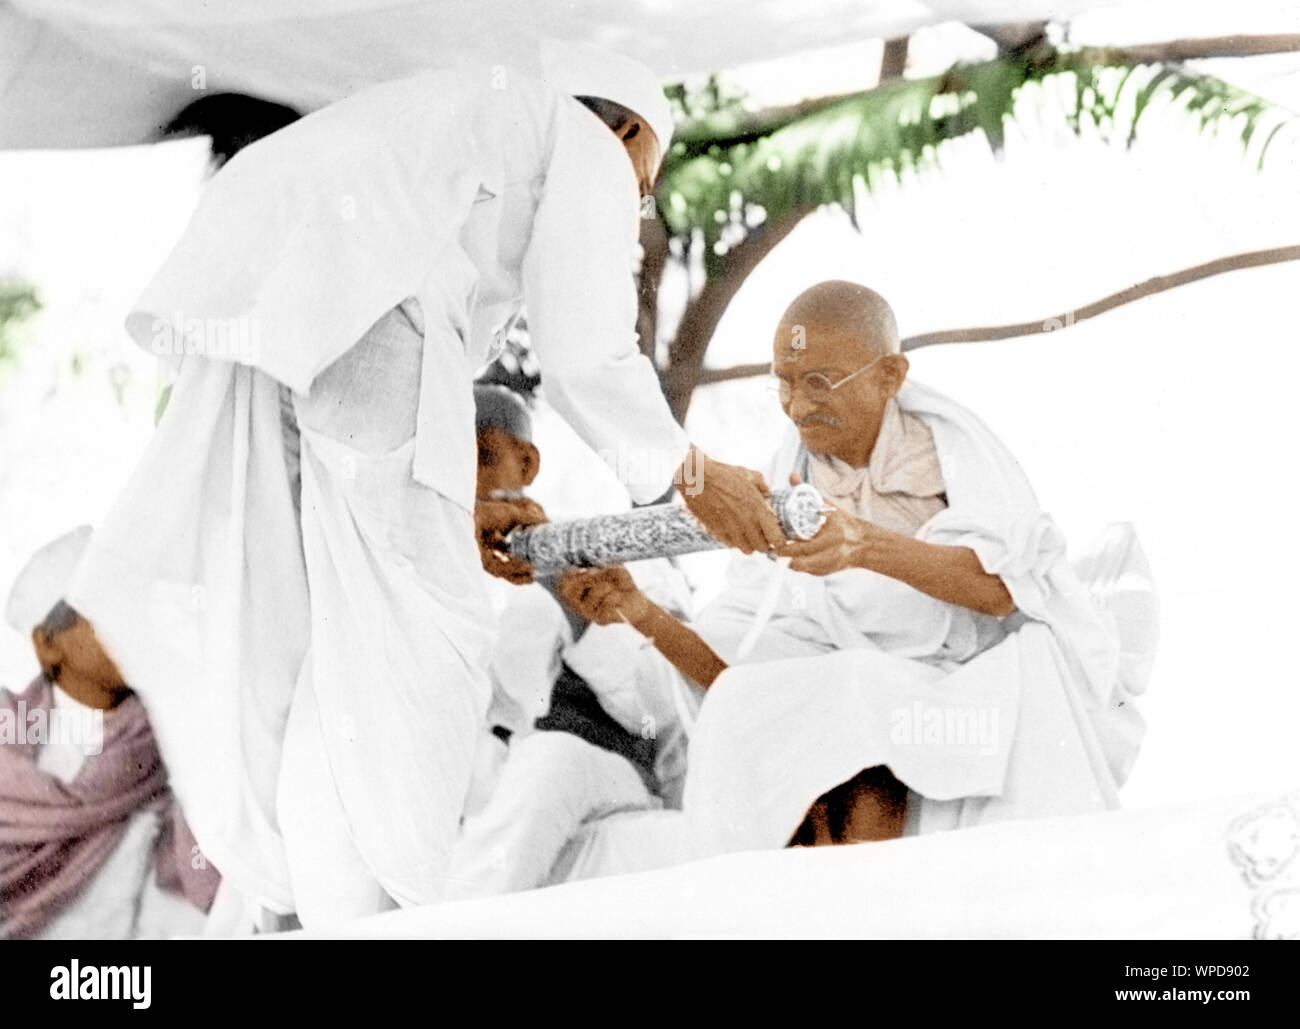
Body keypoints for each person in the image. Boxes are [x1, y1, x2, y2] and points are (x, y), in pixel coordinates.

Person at [67, 38, 783, 927]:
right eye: (647, 175)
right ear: (631, 127)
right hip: (365, 318)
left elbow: (436, 378)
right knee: (428, 644)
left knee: (342, 663)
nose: (639, 198)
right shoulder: (586, 138)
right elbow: (586, 349)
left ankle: (332, 914)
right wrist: (693, 474)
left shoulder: (470, 125)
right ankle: (407, 909)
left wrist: (461, 505)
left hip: (296, 317)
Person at [515, 280, 1156, 876]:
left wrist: (861, 544)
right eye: (784, 383)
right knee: (753, 705)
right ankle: (795, 897)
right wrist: (637, 610)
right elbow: (735, 679)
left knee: (852, 687)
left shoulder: (954, 452)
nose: (797, 406)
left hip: (972, 693)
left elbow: (1005, 588)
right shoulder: (786, 483)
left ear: (891, 375)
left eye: (819, 382)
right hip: (863, 724)